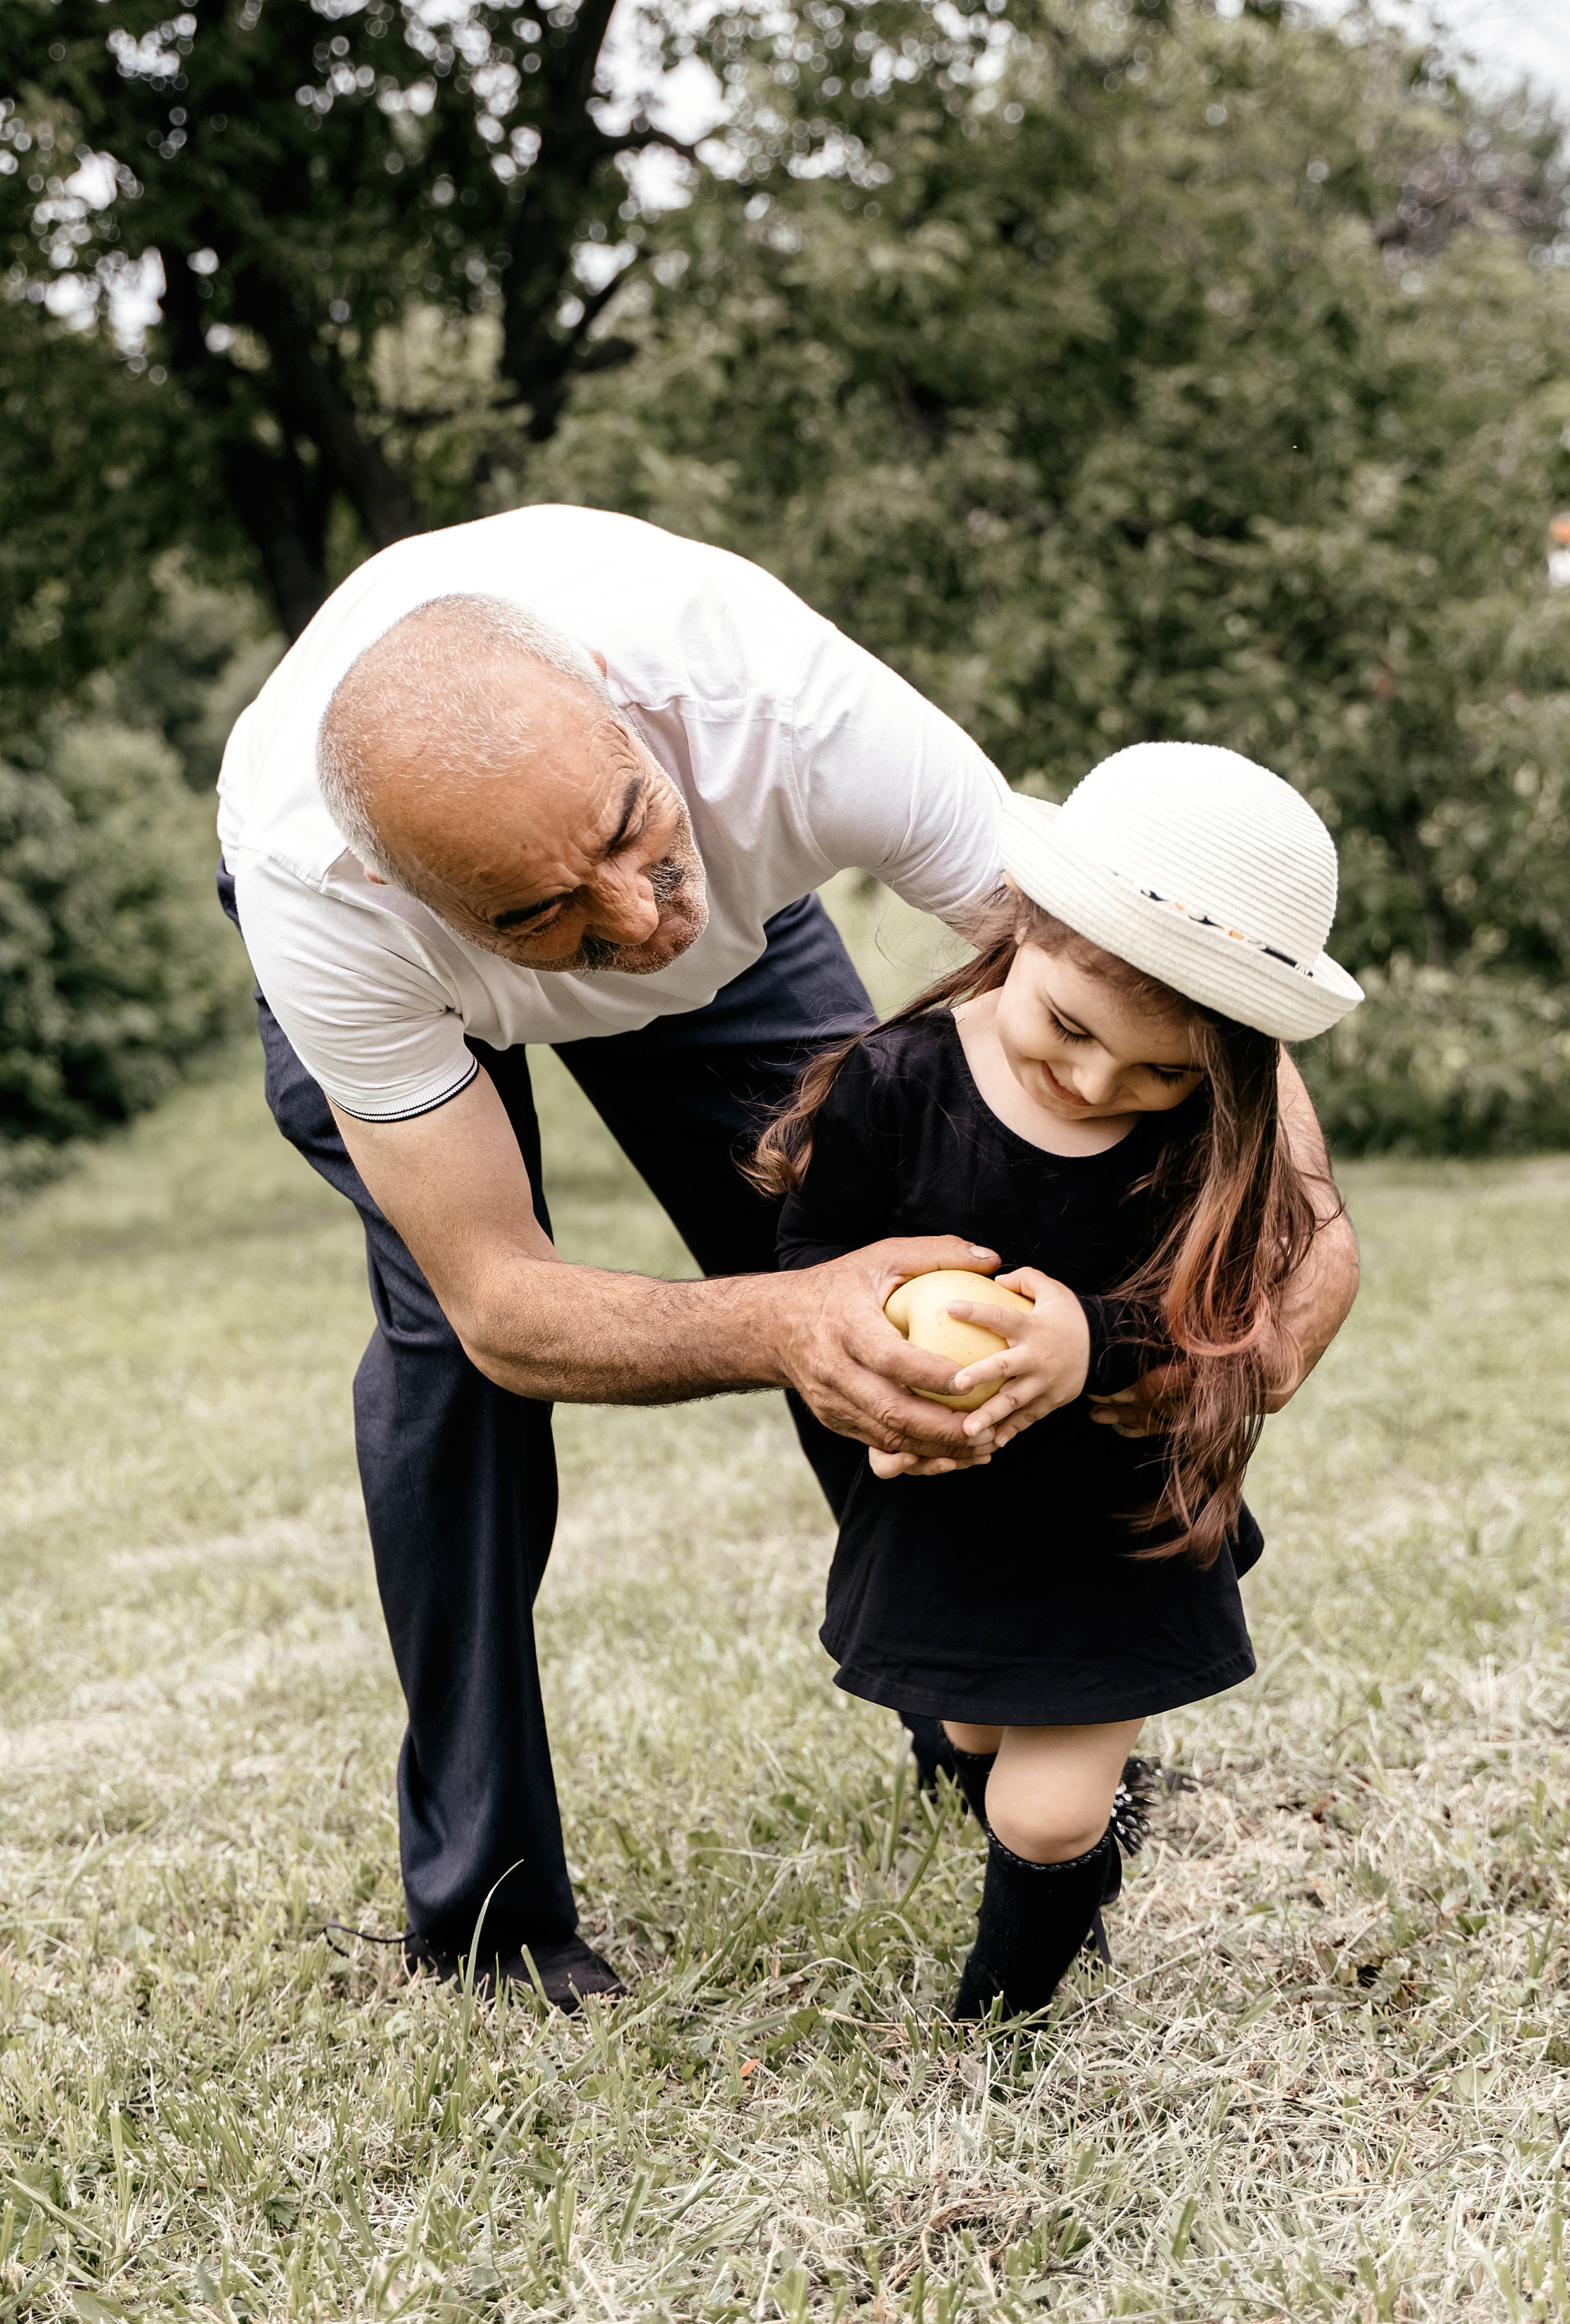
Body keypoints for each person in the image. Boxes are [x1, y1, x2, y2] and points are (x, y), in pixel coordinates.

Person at [216, 505, 1358, 2007]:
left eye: (631, 827)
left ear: (640, 713)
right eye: (550, 907)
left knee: (893, 1239)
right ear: (403, 892)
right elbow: (505, 1305)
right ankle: (484, 1907)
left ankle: (992, 1705)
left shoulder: (785, 710)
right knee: (453, 1367)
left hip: (727, 941)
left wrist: (1307, 1237)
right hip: (429, 1011)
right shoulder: (326, 905)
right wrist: (780, 1323)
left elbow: (1157, 968)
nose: (635, 923)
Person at [757, 742, 1363, 2021]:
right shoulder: (894, 1083)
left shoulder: (1210, 1137)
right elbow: (811, 1262)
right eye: (1068, 1029)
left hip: (1112, 1517)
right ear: (1018, 928)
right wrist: (874, 1370)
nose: (1098, 1085)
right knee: (974, 1735)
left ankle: (1009, 2012)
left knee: (1041, 1810)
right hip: (952, 1507)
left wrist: (1093, 1340)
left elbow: (1221, 1315)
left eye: (1158, 1073)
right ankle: (1054, 1811)